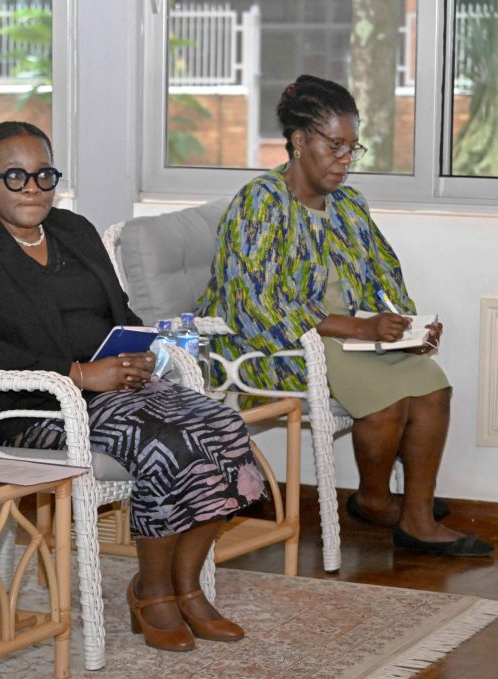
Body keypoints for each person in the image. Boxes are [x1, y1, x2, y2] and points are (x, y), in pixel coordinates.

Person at [0, 121, 265, 652]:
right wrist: (78, 375)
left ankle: (188, 588)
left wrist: (137, 354)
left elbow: (119, 311)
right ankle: (151, 591)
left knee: (221, 424)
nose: (33, 188)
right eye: (14, 176)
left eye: (43, 175)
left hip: (110, 387)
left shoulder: (74, 230)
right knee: (163, 441)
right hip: (29, 410)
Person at [197, 75, 492, 557]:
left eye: (353, 149)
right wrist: (358, 327)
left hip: (349, 335)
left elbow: (383, 274)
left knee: (432, 385)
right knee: (389, 400)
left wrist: (406, 325)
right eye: (335, 145)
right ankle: (378, 501)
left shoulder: (348, 205)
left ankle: (413, 514)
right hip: (281, 343)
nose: (344, 161)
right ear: (298, 141)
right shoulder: (261, 201)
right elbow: (255, 304)